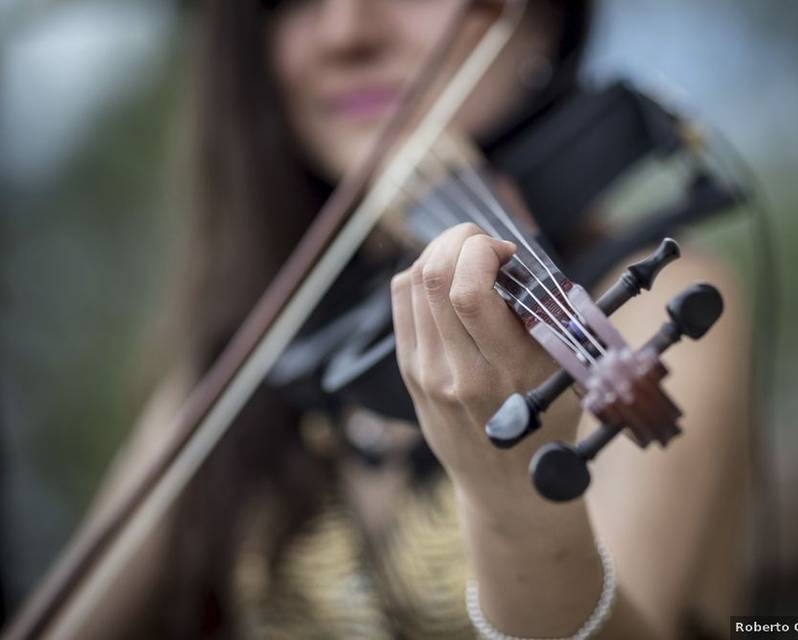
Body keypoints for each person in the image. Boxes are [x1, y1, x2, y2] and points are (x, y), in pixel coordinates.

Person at [76, 1, 750, 638]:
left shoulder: (660, 299)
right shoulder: (260, 346)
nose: (345, 31)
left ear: (540, 19)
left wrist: (515, 507)